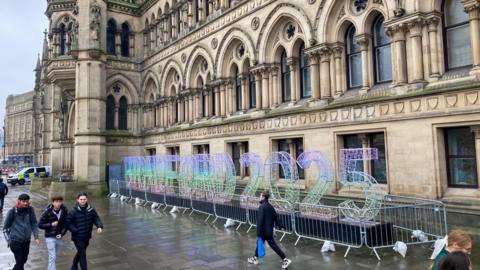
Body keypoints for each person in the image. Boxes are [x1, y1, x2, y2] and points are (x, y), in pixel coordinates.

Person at [248, 190, 292, 269]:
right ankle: (254, 258)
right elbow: (276, 217)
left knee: (272, 245)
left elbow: (260, 220)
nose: (259, 197)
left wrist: (258, 232)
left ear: (263, 197)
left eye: (260, 196)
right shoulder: (270, 206)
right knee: (259, 243)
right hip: (268, 231)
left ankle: (285, 259)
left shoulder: (262, 207)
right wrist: (281, 225)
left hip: (264, 231)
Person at [66, 192, 104, 270]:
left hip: (87, 236)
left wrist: (99, 226)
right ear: (77, 200)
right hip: (77, 237)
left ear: (87, 200)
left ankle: (74, 265)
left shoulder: (90, 209)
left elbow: (96, 218)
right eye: (81, 199)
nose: (83, 201)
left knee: (80, 253)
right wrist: (75, 230)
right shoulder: (73, 211)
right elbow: (68, 223)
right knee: (83, 254)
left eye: (84, 199)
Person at [3, 193, 40, 270]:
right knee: (20, 262)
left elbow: (34, 223)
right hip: (15, 241)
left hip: (26, 241)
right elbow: (5, 228)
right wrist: (9, 241)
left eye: (27, 201)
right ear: (19, 201)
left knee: (23, 260)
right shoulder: (12, 211)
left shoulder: (30, 210)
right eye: (23, 201)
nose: (26, 203)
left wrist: (36, 237)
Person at [38, 195, 69, 270]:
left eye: (60, 201)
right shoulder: (47, 211)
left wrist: (62, 233)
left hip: (59, 236)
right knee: (52, 256)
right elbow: (40, 224)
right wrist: (50, 224)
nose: (58, 203)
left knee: (56, 256)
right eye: (56, 202)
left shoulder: (64, 211)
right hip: (49, 237)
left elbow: (66, 224)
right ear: (53, 202)